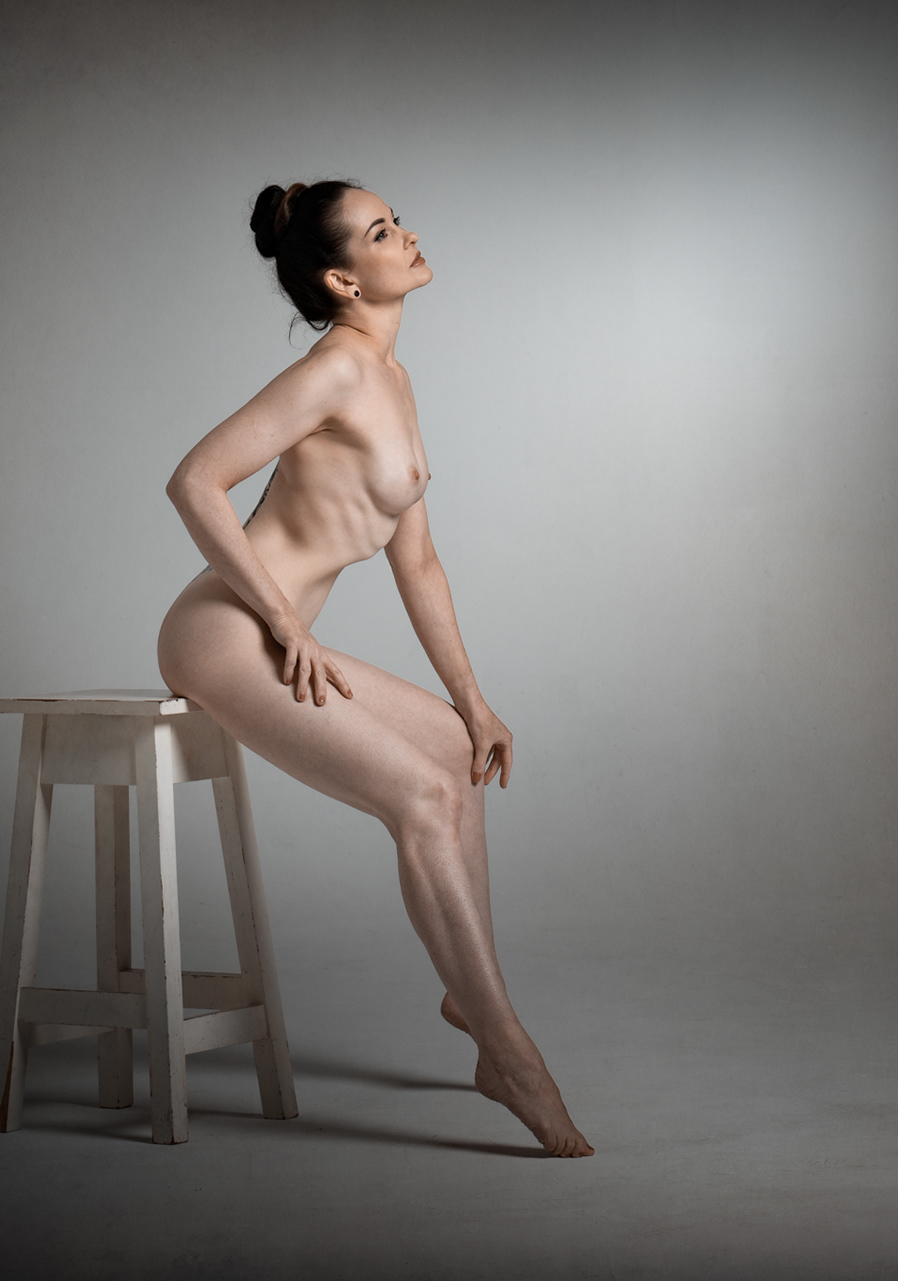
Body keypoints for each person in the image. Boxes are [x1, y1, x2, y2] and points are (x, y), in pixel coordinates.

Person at [156, 180, 593, 1158]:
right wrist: (283, 621)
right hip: (222, 635)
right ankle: (511, 1052)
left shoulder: (390, 379)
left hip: (269, 637)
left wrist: (474, 702)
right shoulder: (335, 372)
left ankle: (469, 996)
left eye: (397, 221)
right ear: (345, 280)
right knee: (420, 798)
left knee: (455, 755)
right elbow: (194, 481)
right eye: (383, 232)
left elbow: (418, 562)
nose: (409, 236)